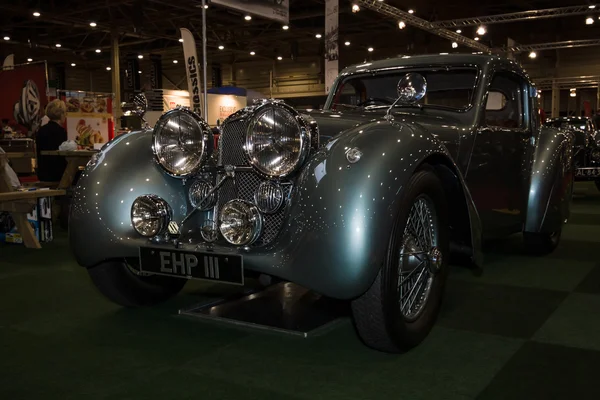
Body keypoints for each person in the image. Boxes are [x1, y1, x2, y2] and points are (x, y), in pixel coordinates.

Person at [35, 100, 68, 182]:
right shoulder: (61, 131)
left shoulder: (41, 130)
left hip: (43, 172)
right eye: (64, 113)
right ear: (61, 114)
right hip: (57, 173)